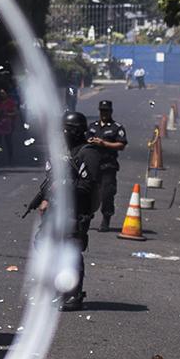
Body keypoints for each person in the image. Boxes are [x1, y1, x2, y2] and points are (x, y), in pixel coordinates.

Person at [24, 110, 106, 309]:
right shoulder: (61, 151)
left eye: (66, 130)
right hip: (56, 209)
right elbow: (51, 179)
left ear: (77, 131)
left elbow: (89, 185)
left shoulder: (88, 153)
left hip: (76, 210)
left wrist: (64, 188)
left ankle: (73, 295)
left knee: (70, 250)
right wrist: (43, 198)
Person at [86, 98, 128, 232]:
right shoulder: (93, 126)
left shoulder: (117, 127)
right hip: (92, 165)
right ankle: (85, 217)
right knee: (87, 193)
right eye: (102, 111)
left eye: (107, 111)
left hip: (108, 166)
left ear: (111, 111)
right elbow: (84, 139)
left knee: (107, 194)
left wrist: (104, 144)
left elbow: (121, 145)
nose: (104, 113)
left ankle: (106, 218)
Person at [0, 87, 19, 167]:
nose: (2, 95)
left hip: (7, 125)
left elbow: (15, 112)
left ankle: (10, 158)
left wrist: (7, 114)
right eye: (0, 93)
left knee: (8, 142)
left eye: (3, 93)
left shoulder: (10, 102)